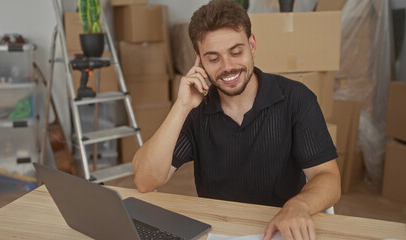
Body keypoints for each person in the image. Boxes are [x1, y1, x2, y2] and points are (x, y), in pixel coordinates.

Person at [132, 1, 341, 239]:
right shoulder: (196, 110)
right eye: (213, 58)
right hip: (220, 230)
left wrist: (299, 205)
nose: (228, 67)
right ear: (198, 60)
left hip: (280, 229)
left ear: (252, 45)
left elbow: (328, 177)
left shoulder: (296, 98)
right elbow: (146, 180)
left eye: (236, 52)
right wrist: (181, 107)